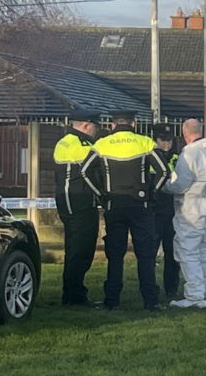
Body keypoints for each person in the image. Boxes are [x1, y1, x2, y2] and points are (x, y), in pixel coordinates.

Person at [85, 118, 169, 311]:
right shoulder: (145, 142)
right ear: (133, 124)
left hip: (114, 204)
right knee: (146, 254)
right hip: (141, 205)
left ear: (113, 125)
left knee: (115, 255)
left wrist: (101, 195)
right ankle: (151, 301)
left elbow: (84, 171)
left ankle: (111, 300)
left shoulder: (102, 144)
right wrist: (152, 193)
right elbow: (164, 172)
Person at [168, 118, 206, 309]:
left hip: (192, 208)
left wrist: (164, 186)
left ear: (185, 134)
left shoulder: (190, 153)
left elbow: (181, 184)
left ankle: (194, 296)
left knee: (188, 252)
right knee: (205, 252)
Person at [51, 113, 103, 306]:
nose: (97, 130)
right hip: (78, 202)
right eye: (95, 126)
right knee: (79, 249)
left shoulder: (67, 141)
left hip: (72, 201)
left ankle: (74, 292)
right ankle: (74, 295)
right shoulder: (76, 144)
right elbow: (92, 166)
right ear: (87, 125)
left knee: (77, 248)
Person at [150, 124, 181, 301]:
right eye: (163, 140)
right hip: (154, 212)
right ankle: (150, 288)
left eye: (169, 140)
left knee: (172, 253)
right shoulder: (150, 157)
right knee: (151, 253)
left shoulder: (177, 158)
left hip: (172, 212)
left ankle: (171, 288)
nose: (167, 144)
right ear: (156, 140)